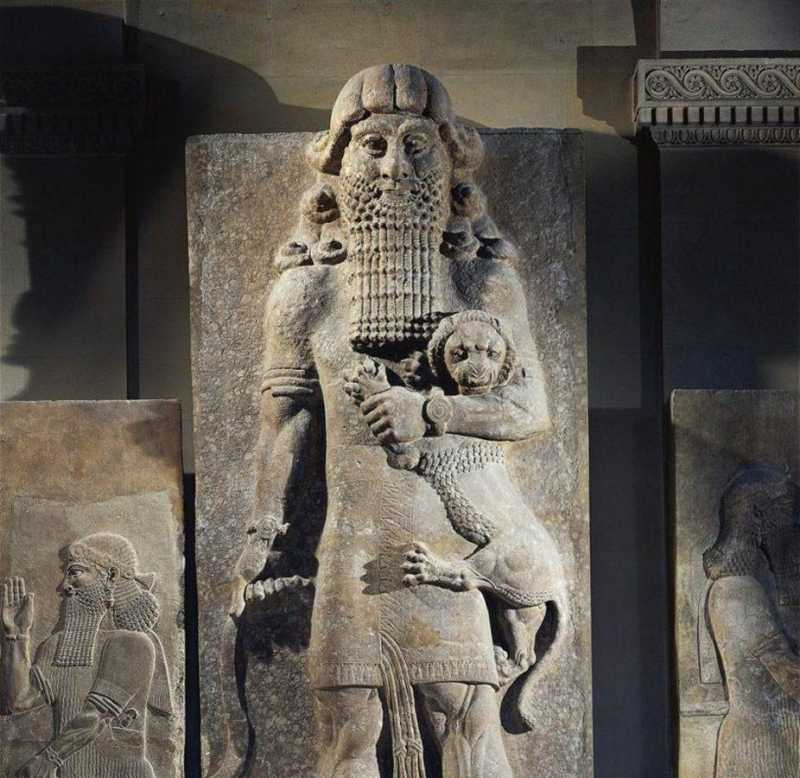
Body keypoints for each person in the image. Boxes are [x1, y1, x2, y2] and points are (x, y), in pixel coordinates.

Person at [236, 64, 553, 778]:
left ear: (449, 164)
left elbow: (528, 410)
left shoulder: (485, 282)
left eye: (416, 146)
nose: (392, 168)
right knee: (347, 738)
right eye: (372, 146)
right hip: (352, 552)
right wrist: (264, 535)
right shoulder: (305, 293)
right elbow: (285, 422)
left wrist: (431, 409)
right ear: (339, 166)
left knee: (471, 730)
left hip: (451, 549)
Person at [1, 533, 173, 778]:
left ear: (111, 576)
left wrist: (47, 760)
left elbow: (96, 716)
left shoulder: (132, 643)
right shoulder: (56, 644)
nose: (64, 586)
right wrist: (17, 636)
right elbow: (18, 702)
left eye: (75, 572)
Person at [703, 464, 800, 778]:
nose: (792, 531)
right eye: (786, 518)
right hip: (761, 745)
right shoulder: (736, 591)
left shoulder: (751, 587)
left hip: (777, 735)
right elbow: (785, 670)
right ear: (756, 518)